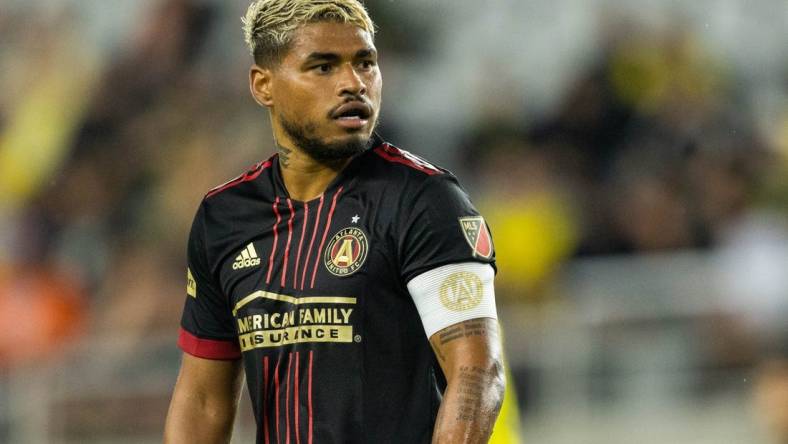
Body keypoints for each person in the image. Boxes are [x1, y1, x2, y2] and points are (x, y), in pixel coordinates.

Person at [164, 1, 505, 442]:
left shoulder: (425, 201)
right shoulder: (225, 217)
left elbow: (477, 373)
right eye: (323, 67)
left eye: (366, 63)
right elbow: (203, 398)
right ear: (262, 84)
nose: (353, 83)